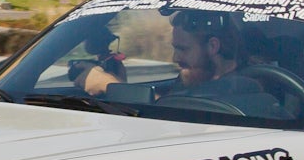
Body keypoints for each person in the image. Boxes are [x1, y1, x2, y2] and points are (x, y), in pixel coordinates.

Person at [81, 8, 267, 108]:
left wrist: (113, 86)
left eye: (182, 49)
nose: (175, 57)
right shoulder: (197, 77)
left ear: (213, 46)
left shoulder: (243, 87)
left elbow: (185, 114)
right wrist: (121, 84)